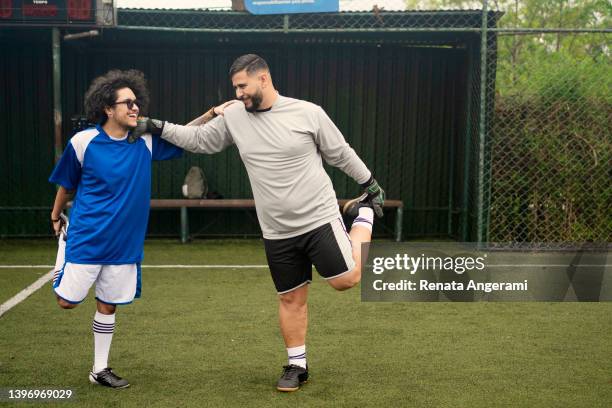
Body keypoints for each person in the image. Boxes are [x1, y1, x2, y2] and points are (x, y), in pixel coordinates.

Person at [134, 54, 385, 392]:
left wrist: (369, 184)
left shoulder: (307, 113)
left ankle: (362, 216)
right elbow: (200, 141)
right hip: (276, 230)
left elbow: (339, 152)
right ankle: (297, 365)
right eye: (235, 87)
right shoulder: (235, 117)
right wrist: (157, 125)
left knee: (347, 279)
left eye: (242, 86)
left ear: (263, 78)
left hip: (318, 217)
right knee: (290, 299)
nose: (238, 93)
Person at [49, 69, 183, 389]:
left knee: (108, 304)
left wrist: (212, 114)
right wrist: (55, 216)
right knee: (67, 302)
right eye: (128, 103)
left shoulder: (146, 141)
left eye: (137, 102)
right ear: (109, 109)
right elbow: (66, 184)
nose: (135, 108)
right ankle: (62, 260)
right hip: (87, 237)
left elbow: (187, 136)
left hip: (124, 244)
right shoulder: (83, 142)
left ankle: (100, 369)